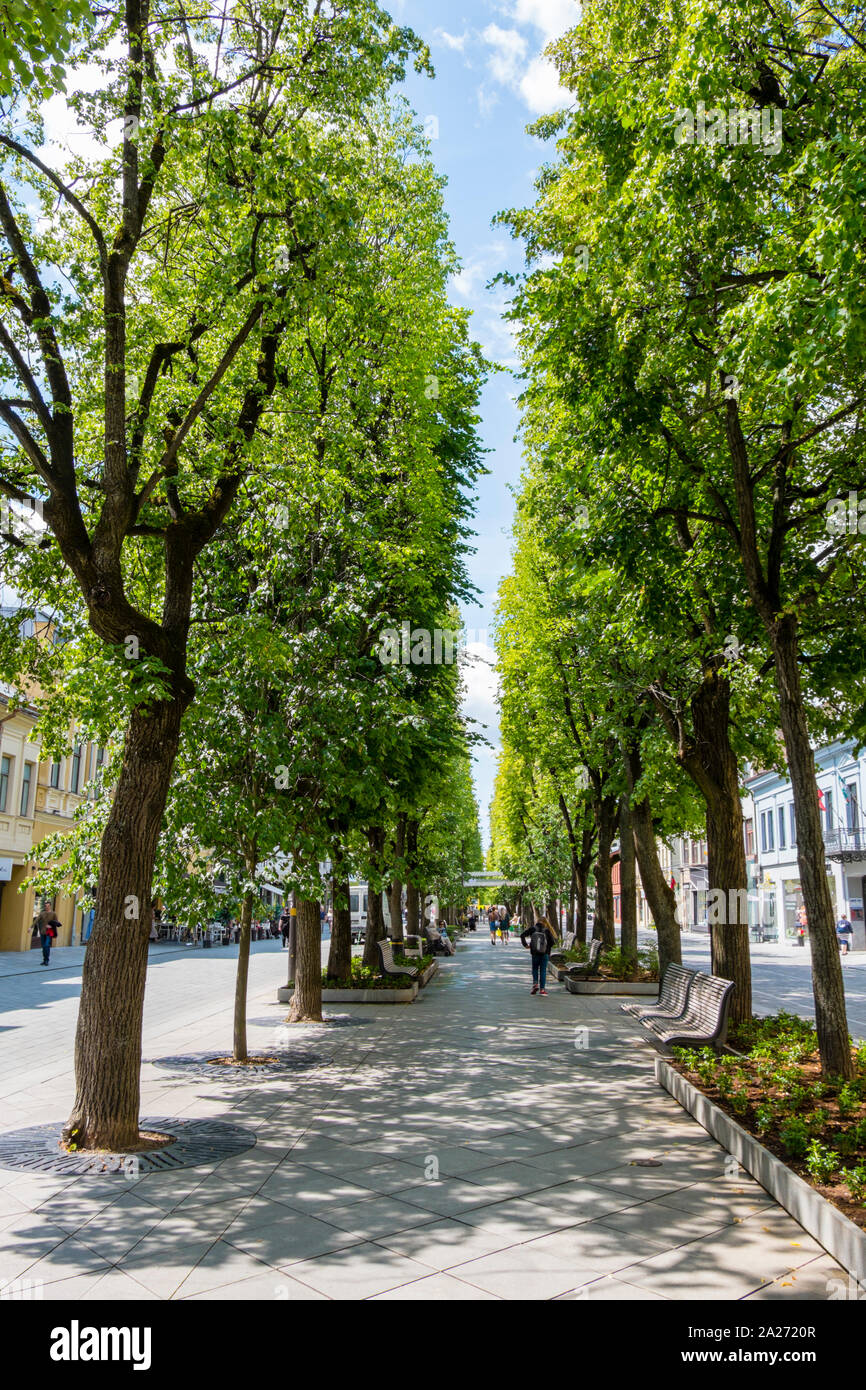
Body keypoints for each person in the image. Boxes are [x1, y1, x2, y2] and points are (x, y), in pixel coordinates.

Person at [520, 915, 558, 995]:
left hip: (535, 952)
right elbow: (552, 943)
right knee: (543, 970)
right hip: (545, 954)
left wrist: (526, 945)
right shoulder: (547, 930)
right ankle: (542, 989)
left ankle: (535, 984)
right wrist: (546, 948)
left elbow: (522, 935)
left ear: (537, 921)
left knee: (535, 969)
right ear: (545, 922)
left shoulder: (533, 929)